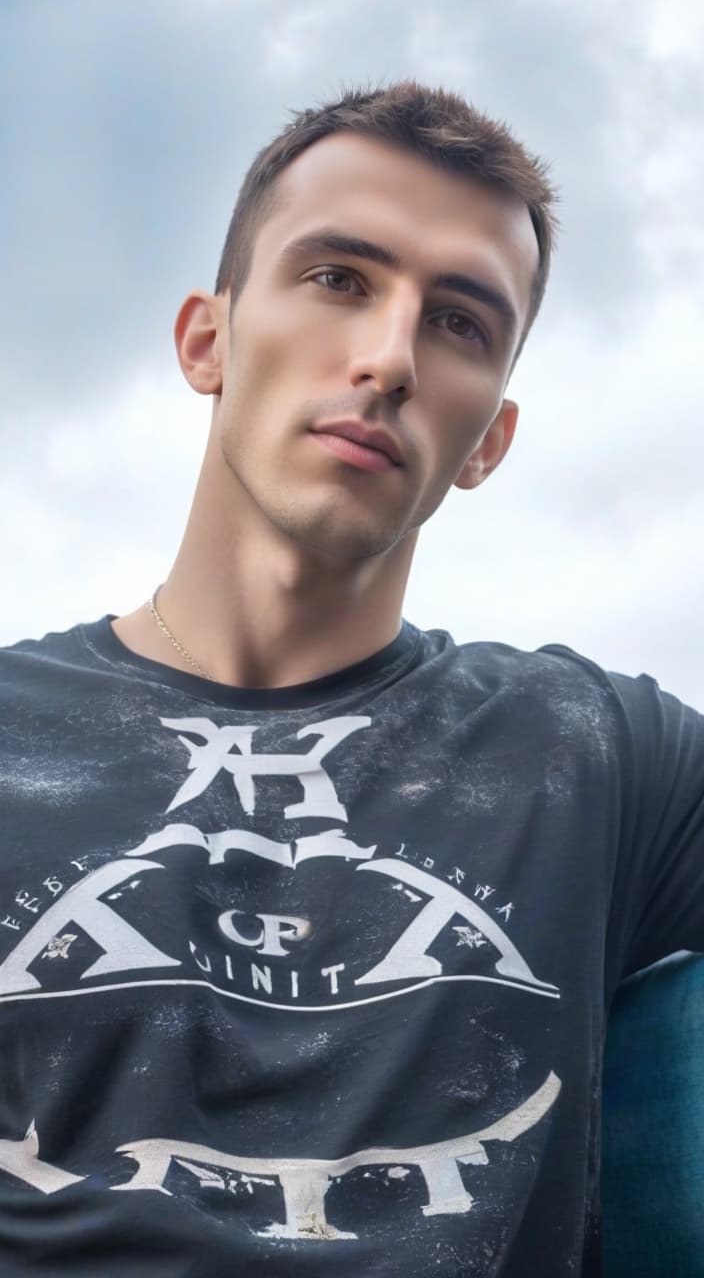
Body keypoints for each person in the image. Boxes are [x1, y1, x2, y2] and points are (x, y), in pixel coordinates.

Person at [0, 80, 701, 1278]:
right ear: (206, 339)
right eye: (339, 280)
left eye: (459, 323)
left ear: (488, 438)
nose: (386, 358)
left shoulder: (597, 750)